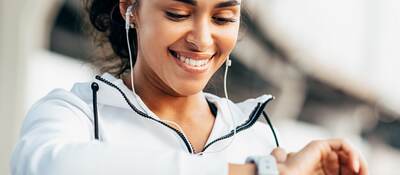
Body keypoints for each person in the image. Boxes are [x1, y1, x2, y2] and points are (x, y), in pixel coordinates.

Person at [10, 0, 368, 174]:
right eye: (178, 13)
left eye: (223, 18)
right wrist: (252, 172)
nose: (202, 39)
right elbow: (48, 168)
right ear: (130, 8)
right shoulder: (74, 115)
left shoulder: (259, 137)